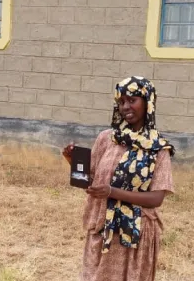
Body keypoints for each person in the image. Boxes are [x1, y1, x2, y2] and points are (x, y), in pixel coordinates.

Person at [62, 76, 175, 281]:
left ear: (147, 102)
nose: (126, 107)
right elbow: (93, 182)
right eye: (121, 102)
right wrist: (72, 161)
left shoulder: (158, 148)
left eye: (132, 100)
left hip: (134, 234)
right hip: (102, 227)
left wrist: (112, 192)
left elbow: (157, 198)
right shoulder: (107, 138)